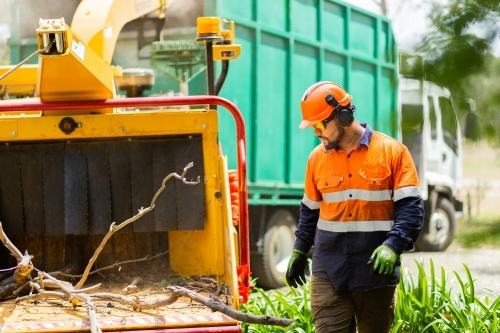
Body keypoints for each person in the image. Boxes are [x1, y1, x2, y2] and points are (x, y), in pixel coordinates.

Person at [286, 81, 424, 333]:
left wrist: (392, 246)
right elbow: (310, 212)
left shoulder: (392, 152)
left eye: (319, 124)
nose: (316, 132)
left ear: (342, 115)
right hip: (328, 268)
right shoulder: (317, 158)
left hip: (374, 272)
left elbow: (411, 209)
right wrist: (299, 250)